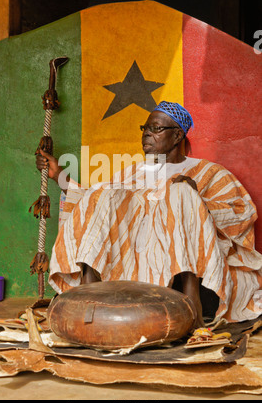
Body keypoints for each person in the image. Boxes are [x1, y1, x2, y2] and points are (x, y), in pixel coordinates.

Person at [36, 101, 262, 327]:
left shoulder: (208, 172)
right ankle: (89, 294)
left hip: (181, 264)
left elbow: (240, 213)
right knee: (106, 194)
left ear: (177, 136)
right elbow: (92, 201)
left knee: (181, 191)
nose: (146, 135)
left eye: (156, 128)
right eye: (145, 128)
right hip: (131, 256)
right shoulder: (134, 172)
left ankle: (193, 303)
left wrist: (195, 197)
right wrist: (59, 177)